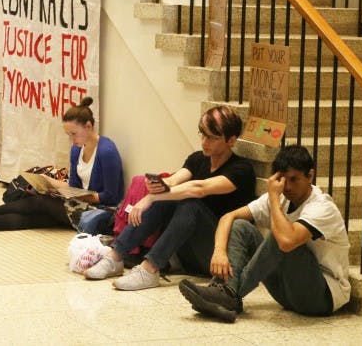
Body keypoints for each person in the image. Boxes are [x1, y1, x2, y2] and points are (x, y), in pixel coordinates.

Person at [83, 105, 255, 291]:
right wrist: (157, 187)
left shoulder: (242, 170)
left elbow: (199, 188)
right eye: (203, 134)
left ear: (231, 140)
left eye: (213, 138)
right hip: (189, 250)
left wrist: (150, 199)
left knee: (191, 204)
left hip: (220, 257)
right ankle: (116, 256)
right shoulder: (198, 159)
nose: (205, 142)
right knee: (168, 197)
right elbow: (174, 181)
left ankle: (149, 269)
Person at [179, 145, 350, 322]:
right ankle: (224, 290)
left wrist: (274, 198)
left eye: (294, 179)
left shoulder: (323, 207)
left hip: (321, 297)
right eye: (283, 180)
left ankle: (229, 295)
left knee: (281, 236)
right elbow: (228, 217)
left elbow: (286, 241)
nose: (288, 187)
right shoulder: (280, 197)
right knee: (240, 226)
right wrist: (219, 251)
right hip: (287, 292)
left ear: (310, 176)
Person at [0, 97, 124, 235]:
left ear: (89, 126)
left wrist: (80, 196)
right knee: (37, 216)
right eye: (69, 135)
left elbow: (111, 197)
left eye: (74, 134)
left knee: (40, 203)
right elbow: (75, 186)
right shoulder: (77, 149)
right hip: (80, 202)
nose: (71, 139)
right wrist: (49, 183)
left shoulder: (106, 151)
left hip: (100, 211)